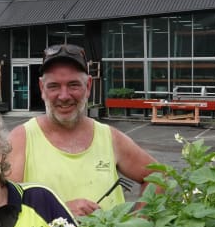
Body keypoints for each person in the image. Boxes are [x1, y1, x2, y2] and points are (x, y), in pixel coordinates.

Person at [8, 43, 158, 217]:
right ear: (42, 88)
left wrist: (138, 223)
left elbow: (158, 176)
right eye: (54, 86)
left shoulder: (109, 138)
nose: (64, 96)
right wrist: (58, 211)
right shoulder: (21, 139)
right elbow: (5, 207)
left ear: (88, 87)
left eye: (73, 85)